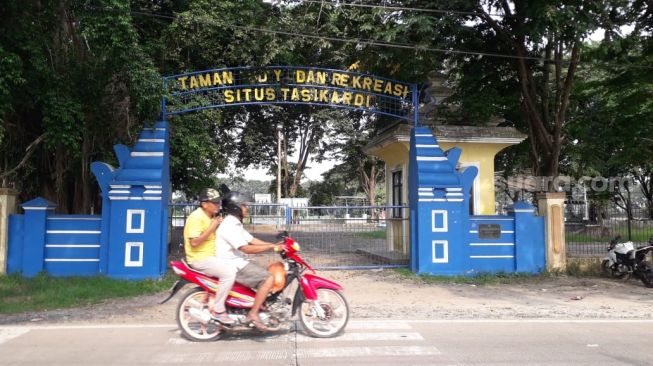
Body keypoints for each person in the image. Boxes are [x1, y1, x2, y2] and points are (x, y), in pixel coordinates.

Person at [216, 191, 282, 331]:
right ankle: (253, 314)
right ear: (235, 207)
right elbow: (245, 248)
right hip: (233, 265)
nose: (247, 208)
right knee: (268, 278)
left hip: (238, 262)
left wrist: (274, 246)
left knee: (267, 269)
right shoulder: (229, 225)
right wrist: (271, 247)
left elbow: (252, 240)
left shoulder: (235, 224)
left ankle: (261, 307)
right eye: (244, 206)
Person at [182, 188, 236, 326]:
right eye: (215, 202)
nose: (218, 205)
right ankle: (218, 310)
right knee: (229, 273)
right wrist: (213, 227)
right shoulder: (196, 217)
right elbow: (194, 243)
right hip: (199, 259)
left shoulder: (210, 217)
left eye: (219, 202)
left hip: (210, 256)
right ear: (204, 204)